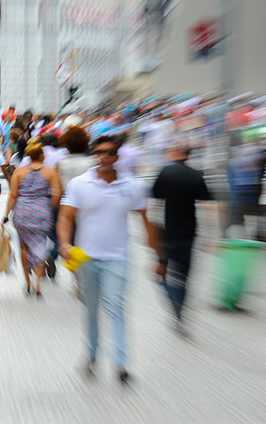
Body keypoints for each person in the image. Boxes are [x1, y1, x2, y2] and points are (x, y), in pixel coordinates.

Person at [57, 135, 161, 381]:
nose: (104, 156)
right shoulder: (80, 184)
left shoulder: (132, 185)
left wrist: (157, 256)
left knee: (117, 308)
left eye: (110, 152)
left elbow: (146, 219)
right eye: (100, 152)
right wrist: (64, 243)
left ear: (117, 156)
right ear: (95, 154)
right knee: (91, 310)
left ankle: (121, 363)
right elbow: (65, 217)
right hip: (86, 258)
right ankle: (91, 356)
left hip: (118, 258)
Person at [151, 143, 212, 336]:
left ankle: (173, 300)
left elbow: (154, 205)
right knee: (184, 277)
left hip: (166, 232)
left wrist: (151, 233)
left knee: (162, 273)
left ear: (174, 153)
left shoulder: (165, 172)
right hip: (189, 233)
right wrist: (211, 234)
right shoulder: (196, 175)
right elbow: (207, 206)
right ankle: (180, 310)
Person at [3, 142, 62, 296]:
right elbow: (57, 194)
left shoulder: (19, 172)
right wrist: (50, 207)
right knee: (41, 245)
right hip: (42, 211)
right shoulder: (51, 172)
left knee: (24, 246)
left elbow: (13, 195)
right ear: (42, 156)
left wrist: (5, 215)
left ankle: (27, 283)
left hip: (22, 211)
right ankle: (37, 284)